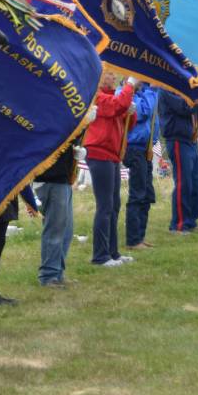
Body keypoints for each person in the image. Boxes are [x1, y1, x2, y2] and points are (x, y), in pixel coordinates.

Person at [85, 72, 135, 266]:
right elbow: (116, 106)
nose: (114, 77)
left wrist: (132, 111)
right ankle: (100, 255)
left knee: (114, 205)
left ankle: (113, 252)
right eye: (110, 74)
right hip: (99, 153)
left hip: (112, 154)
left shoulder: (112, 97)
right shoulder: (96, 96)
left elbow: (127, 124)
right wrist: (130, 85)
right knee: (105, 206)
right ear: (100, 76)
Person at [34, 129, 86, 287]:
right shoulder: (50, 116)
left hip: (63, 177)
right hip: (50, 177)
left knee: (66, 231)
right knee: (55, 230)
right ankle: (49, 275)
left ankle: (57, 272)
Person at [158, 89, 198, 235]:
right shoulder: (167, 89)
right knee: (184, 183)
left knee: (195, 182)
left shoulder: (189, 90)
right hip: (178, 140)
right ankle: (179, 224)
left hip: (191, 140)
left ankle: (191, 221)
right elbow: (185, 108)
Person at [123, 82, 158, 249]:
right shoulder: (124, 94)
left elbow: (154, 117)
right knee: (137, 193)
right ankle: (133, 239)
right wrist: (151, 90)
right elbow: (144, 112)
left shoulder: (143, 93)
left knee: (146, 194)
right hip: (134, 148)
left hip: (146, 149)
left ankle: (140, 236)